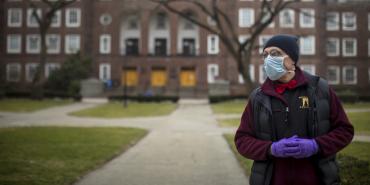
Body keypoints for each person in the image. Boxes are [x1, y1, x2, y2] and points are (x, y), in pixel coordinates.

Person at [234, 34, 354, 185]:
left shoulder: (320, 89)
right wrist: (271, 149)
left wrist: (316, 146)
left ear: (292, 60)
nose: (268, 59)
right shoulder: (258, 98)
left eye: (275, 53)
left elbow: (345, 131)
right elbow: (242, 140)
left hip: (317, 179)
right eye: (265, 55)